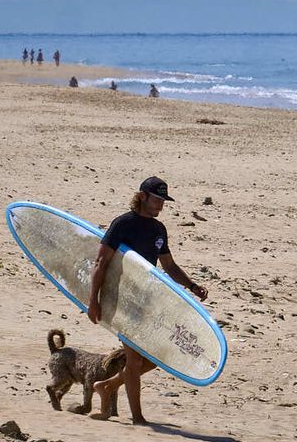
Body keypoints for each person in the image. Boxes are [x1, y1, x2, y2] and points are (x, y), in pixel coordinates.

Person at [88, 177, 209, 424]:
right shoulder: (123, 224)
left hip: (147, 300)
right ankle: (138, 418)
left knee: (158, 357)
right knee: (133, 359)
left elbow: (169, 265)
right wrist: (94, 300)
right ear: (142, 196)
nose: (160, 205)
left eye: (163, 201)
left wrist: (193, 286)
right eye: (157, 199)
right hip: (123, 299)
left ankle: (108, 386)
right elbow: (101, 262)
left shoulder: (158, 229)